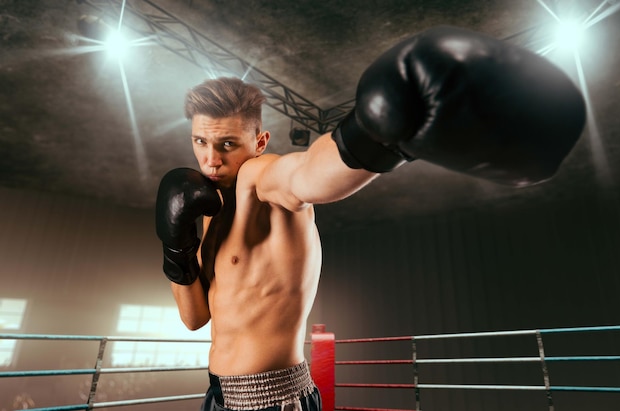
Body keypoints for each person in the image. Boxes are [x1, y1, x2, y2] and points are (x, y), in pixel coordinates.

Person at [155, 26, 585, 411]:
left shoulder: (261, 179)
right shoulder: (207, 207)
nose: (211, 160)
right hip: (215, 395)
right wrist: (175, 249)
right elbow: (196, 319)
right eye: (200, 142)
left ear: (260, 141)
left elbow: (308, 174)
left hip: (272, 398)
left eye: (227, 144)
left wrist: (376, 132)